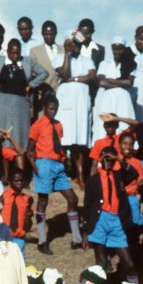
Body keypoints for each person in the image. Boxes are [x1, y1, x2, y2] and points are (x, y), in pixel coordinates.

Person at [28, 95, 82, 253]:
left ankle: (76, 238)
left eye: (55, 108)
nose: (53, 111)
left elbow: (57, 144)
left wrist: (63, 161)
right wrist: (35, 167)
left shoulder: (58, 125)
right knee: (43, 201)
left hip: (58, 166)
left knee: (73, 198)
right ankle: (42, 240)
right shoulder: (37, 125)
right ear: (44, 108)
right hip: (43, 164)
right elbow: (29, 149)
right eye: (50, 108)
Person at [82, 146, 137, 281]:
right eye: (106, 158)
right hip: (99, 221)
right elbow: (87, 206)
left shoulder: (119, 176)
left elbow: (134, 173)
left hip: (116, 221)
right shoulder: (93, 180)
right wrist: (85, 231)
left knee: (129, 264)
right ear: (101, 159)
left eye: (111, 160)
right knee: (101, 264)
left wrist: (119, 159)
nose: (109, 162)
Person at [0, 39, 48, 153]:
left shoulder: (27, 61)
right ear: (8, 51)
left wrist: (31, 85)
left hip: (21, 105)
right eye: (12, 53)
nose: (15, 56)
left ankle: (18, 167)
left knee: (19, 135)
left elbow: (44, 73)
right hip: (0, 103)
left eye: (17, 53)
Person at [53, 32, 96, 188]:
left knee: (78, 142)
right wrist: (66, 53)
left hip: (81, 103)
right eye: (71, 44)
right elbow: (64, 74)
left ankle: (79, 177)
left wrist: (76, 79)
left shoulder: (87, 59)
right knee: (64, 140)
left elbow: (92, 76)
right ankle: (62, 176)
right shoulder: (60, 57)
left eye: (76, 44)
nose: (74, 47)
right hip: (65, 103)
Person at [0, 169, 33, 254]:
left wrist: (28, 215)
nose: (19, 183)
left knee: (19, 263)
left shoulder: (27, 199)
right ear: (10, 181)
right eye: (16, 181)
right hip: (2, 238)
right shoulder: (3, 196)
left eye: (22, 181)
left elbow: (28, 226)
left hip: (18, 238)